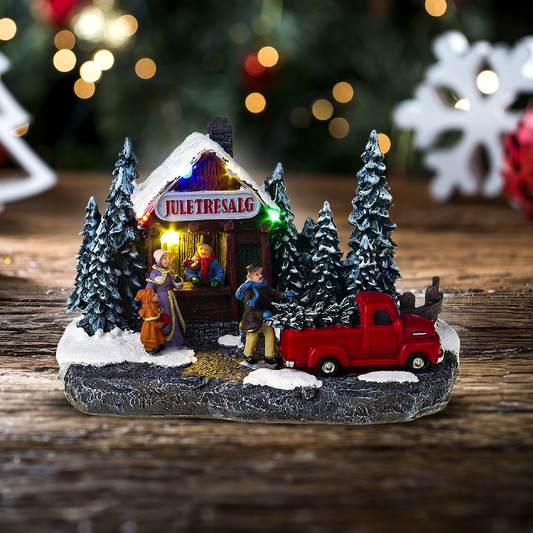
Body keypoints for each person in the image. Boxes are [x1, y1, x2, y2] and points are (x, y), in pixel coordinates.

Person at [235, 264, 292, 365]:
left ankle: (270, 355)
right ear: (251, 278)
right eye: (257, 274)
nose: (260, 275)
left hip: (266, 316)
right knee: (252, 336)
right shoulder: (249, 290)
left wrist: (283, 295)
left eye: (260, 273)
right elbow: (250, 309)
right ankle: (248, 355)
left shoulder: (263, 286)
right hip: (253, 318)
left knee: (270, 334)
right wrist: (263, 313)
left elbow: (272, 293)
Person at [146, 249, 186, 348]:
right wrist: (149, 297)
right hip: (160, 298)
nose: (167, 260)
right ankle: (161, 341)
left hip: (170, 297)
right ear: (159, 260)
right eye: (164, 258)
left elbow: (178, 286)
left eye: (169, 258)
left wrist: (177, 281)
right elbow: (150, 285)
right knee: (163, 318)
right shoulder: (155, 272)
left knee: (172, 317)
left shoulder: (170, 272)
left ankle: (174, 341)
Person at [135, 287, 168, 354]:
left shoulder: (154, 305)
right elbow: (153, 321)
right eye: (153, 295)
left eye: (154, 293)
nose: (156, 294)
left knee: (157, 336)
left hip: (155, 327)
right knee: (152, 336)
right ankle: (151, 348)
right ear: (148, 299)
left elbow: (157, 312)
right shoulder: (150, 310)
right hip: (151, 327)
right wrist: (161, 325)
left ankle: (156, 345)